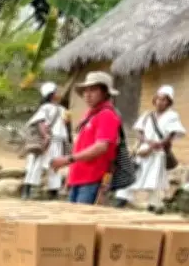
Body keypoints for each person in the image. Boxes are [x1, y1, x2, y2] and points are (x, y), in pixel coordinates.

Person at [51, 71, 121, 204]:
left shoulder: (107, 115)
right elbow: (81, 146)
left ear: (105, 93)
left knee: (82, 217)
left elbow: (101, 147)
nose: (87, 94)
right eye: (85, 90)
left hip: (93, 179)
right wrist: (71, 175)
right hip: (79, 178)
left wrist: (68, 159)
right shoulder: (89, 115)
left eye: (93, 90)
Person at [113, 85, 185, 212]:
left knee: (154, 182)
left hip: (158, 153)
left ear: (169, 102)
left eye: (164, 99)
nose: (160, 102)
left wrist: (154, 146)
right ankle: (120, 201)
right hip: (142, 151)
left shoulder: (172, 116)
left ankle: (154, 207)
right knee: (131, 176)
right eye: (158, 98)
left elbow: (171, 135)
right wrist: (146, 143)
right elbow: (139, 131)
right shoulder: (147, 115)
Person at [21, 82, 70, 200]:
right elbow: (41, 122)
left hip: (56, 141)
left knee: (52, 165)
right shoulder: (47, 108)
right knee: (40, 164)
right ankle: (31, 190)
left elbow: (63, 125)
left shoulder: (61, 109)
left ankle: (51, 191)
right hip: (49, 140)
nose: (59, 94)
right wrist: (46, 136)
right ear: (51, 94)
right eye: (56, 92)